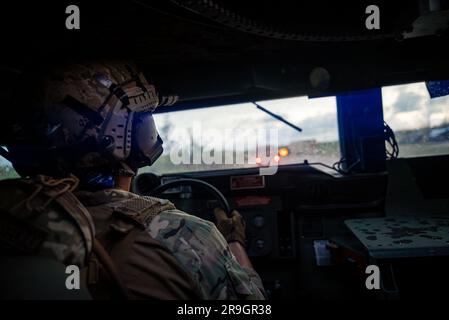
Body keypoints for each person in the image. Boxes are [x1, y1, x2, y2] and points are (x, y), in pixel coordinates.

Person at [0, 61, 265, 300]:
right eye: (142, 118)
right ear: (127, 137)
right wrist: (234, 242)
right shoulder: (185, 235)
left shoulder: (12, 226)